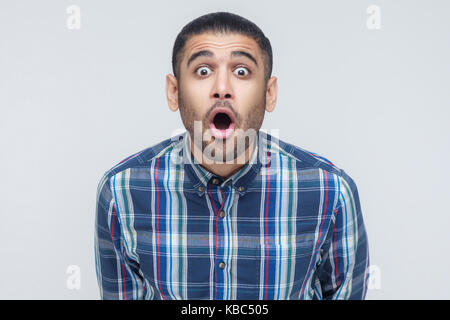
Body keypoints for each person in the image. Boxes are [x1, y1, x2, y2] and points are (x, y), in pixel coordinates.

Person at [94, 11, 370, 300]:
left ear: (269, 93)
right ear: (174, 91)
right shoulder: (121, 193)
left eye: (241, 72)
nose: (222, 89)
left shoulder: (332, 193)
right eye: (203, 70)